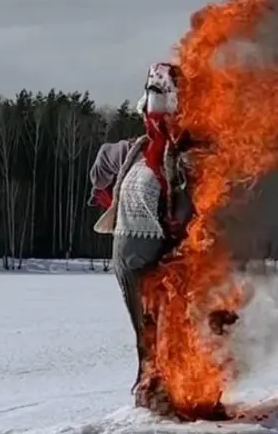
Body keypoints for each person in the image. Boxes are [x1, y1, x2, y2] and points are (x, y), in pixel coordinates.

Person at [88, 62, 194, 412]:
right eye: (151, 97)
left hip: (159, 262)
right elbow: (101, 166)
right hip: (127, 262)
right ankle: (150, 391)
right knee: (143, 334)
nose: (155, 106)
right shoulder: (134, 150)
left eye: (161, 97)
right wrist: (102, 191)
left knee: (160, 332)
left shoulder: (182, 156)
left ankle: (166, 395)